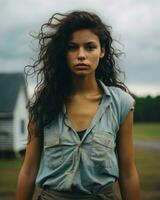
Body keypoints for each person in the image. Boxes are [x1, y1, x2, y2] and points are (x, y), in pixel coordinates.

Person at [16, 10, 140, 200]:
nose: (81, 55)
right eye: (72, 47)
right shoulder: (43, 104)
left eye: (90, 47)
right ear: (62, 53)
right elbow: (29, 170)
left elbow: (128, 172)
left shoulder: (121, 103)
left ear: (102, 50)